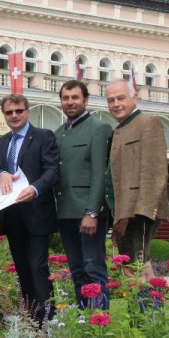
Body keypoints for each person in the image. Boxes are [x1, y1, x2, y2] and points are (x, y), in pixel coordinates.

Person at [0, 94, 59, 323]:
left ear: (27, 111)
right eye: (9, 112)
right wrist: (2, 174)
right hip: (12, 214)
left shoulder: (43, 136)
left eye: (18, 111)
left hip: (36, 213)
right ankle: (30, 317)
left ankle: (46, 320)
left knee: (38, 268)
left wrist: (35, 189)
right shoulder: (3, 140)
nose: (14, 116)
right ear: (4, 115)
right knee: (22, 270)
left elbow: (53, 171)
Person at [54, 80, 112, 309]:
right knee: (77, 270)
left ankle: (99, 322)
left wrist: (92, 212)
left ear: (85, 100)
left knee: (93, 268)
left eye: (75, 97)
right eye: (65, 98)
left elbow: (100, 174)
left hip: (87, 213)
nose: (70, 102)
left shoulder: (99, 129)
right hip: (65, 211)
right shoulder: (58, 133)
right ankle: (84, 320)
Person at [105, 79, 169, 281]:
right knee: (132, 266)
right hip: (123, 211)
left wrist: (140, 214)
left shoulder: (148, 123)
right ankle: (143, 309)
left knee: (137, 267)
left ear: (134, 98)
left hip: (139, 212)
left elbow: (155, 172)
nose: (116, 104)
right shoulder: (119, 129)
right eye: (111, 100)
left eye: (121, 98)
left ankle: (148, 310)